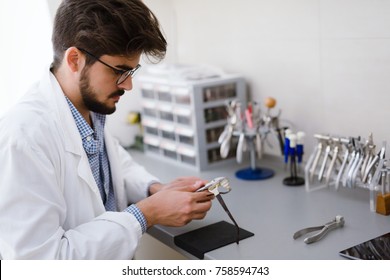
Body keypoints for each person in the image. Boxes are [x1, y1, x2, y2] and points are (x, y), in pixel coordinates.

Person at [0, 0, 213, 259]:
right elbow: (40, 262)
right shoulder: (23, 138)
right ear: (75, 59)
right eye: (120, 71)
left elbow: (113, 166)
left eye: (132, 71)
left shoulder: (87, 110)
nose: (128, 85)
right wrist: (147, 213)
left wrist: (154, 190)